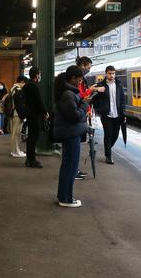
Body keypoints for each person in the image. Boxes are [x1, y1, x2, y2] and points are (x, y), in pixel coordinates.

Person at [53, 66, 89, 208]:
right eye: (79, 80)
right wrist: (85, 106)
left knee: (68, 165)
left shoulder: (68, 92)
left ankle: (64, 196)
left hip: (70, 132)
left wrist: (81, 101)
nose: (80, 83)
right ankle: (66, 198)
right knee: (71, 166)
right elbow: (73, 116)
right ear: (72, 79)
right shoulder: (68, 94)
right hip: (70, 133)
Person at [92, 65, 126, 165]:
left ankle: (107, 149)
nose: (111, 75)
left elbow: (122, 99)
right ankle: (108, 156)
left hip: (118, 114)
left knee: (115, 134)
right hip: (106, 115)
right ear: (106, 74)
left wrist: (123, 110)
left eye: (113, 73)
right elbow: (93, 97)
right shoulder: (101, 85)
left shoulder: (119, 85)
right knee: (108, 134)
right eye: (109, 73)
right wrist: (99, 109)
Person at [23, 67, 49, 168]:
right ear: (37, 75)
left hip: (31, 114)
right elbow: (38, 101)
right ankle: (31, 160)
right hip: (34, 115)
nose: (40, 76)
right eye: (39, 74)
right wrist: (44, 111)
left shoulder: (28, 85)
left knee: (31, 137)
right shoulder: (32, 86)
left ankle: (30, 159)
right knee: (33, 138)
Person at [9, 76, 28, 158]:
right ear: (22, 82)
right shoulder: (17, 89)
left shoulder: (12, 88)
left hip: (14, 113)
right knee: (16, 133)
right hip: (17, 113)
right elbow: (19, 104)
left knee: (15, 132)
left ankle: (15, 150)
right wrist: (22, 114)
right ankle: (15, 151)